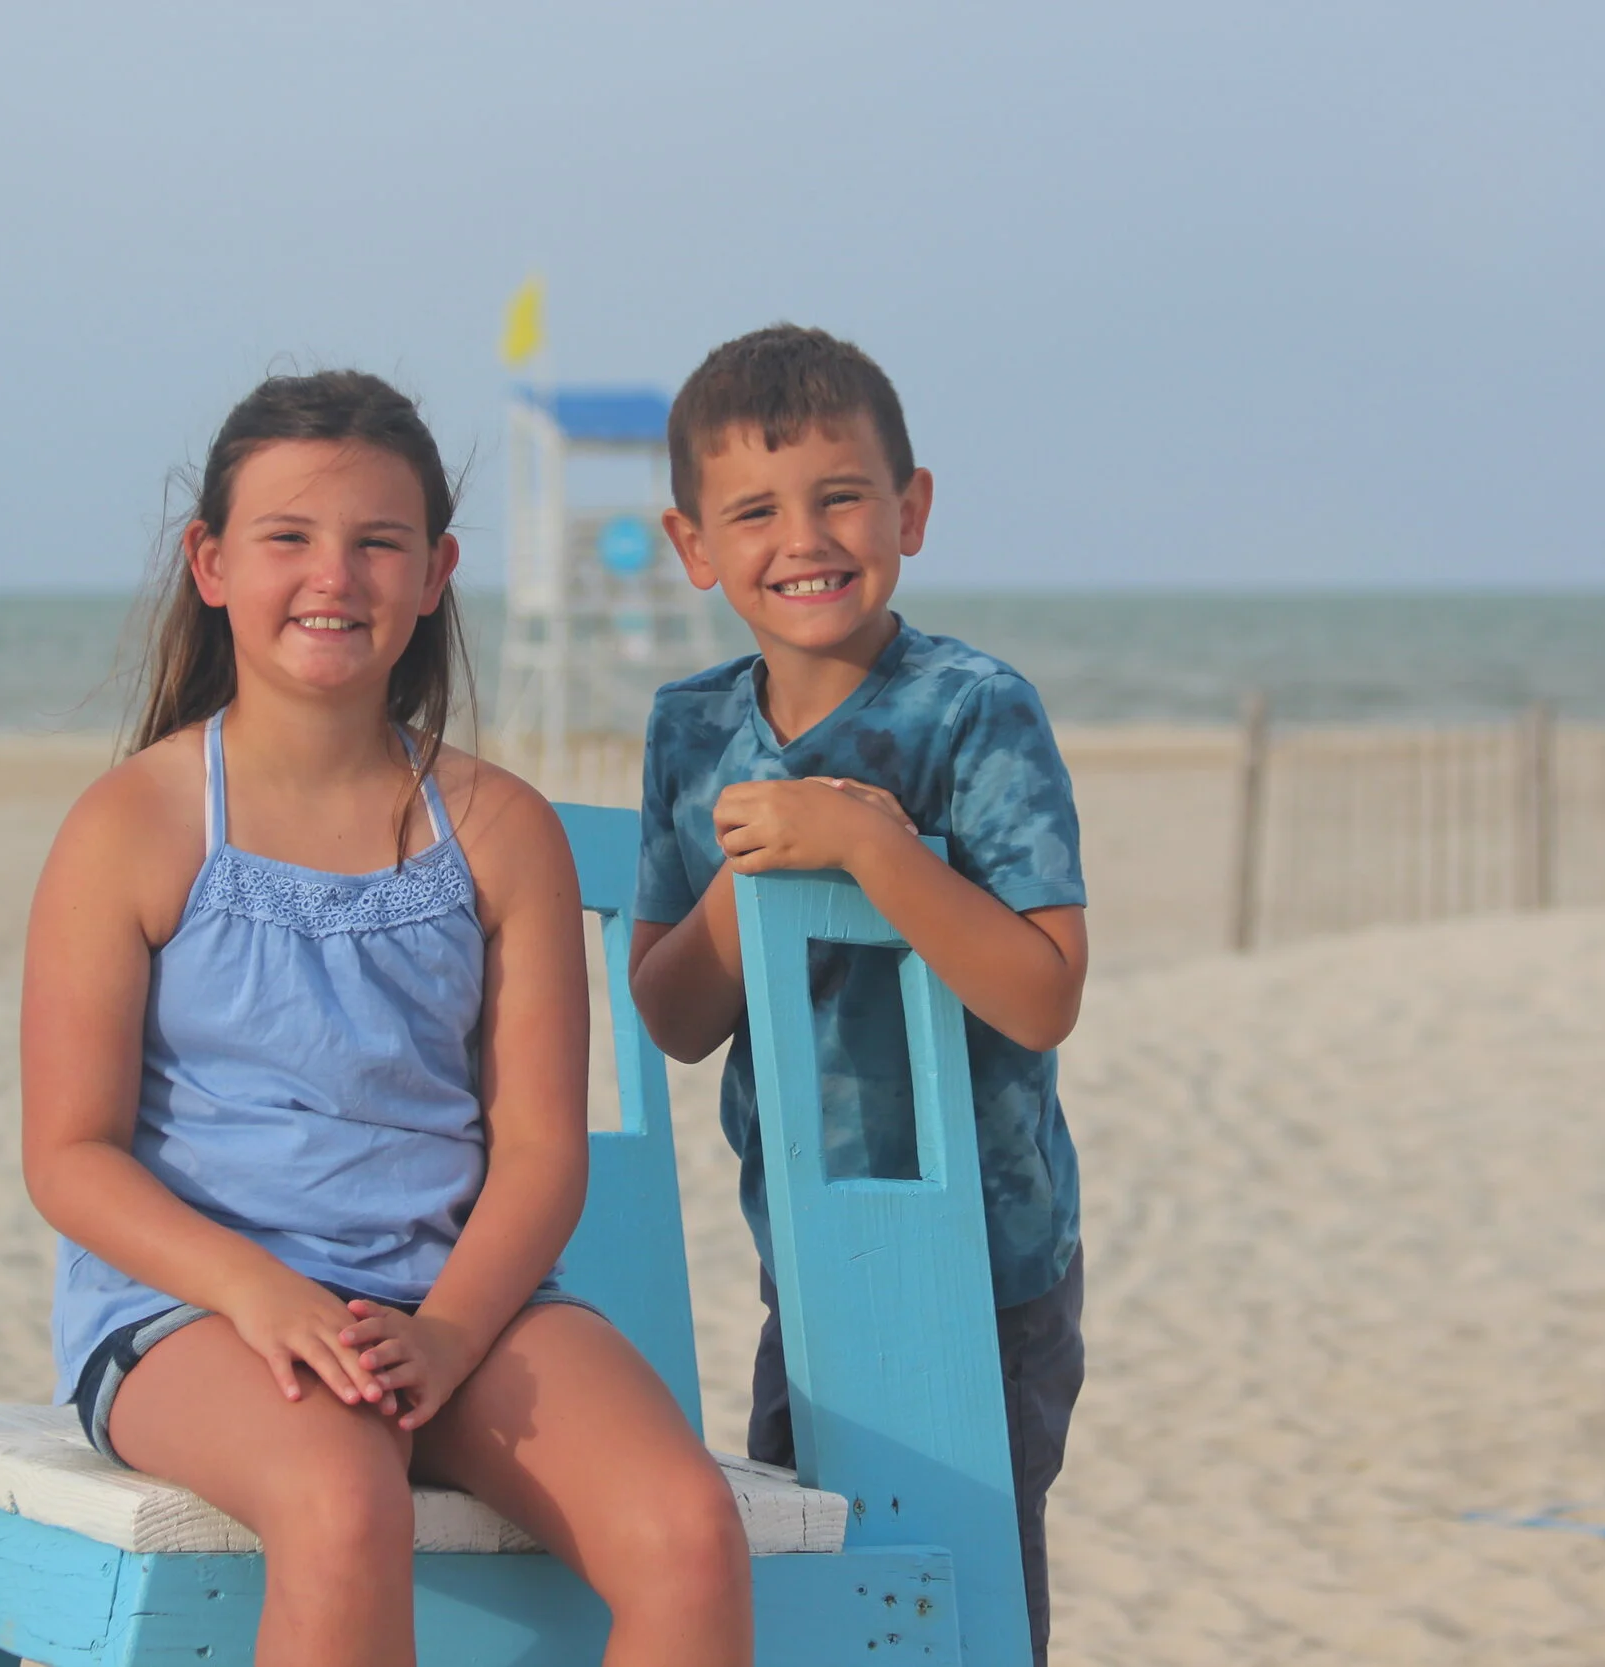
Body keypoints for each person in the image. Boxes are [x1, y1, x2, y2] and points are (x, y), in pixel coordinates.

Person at [23, 370, 752, 1667]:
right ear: (211, 563)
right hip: (200, 1315)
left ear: (434, 573)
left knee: (688, 1530)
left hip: (460, 1304)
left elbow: (540, 1151)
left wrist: (450, 1332)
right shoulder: (131, 824)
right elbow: (69, 1155)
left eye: (377, 542)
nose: (334, 575)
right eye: (289, 537)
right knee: (342, 1496)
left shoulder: (499, 829)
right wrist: (261, 1294)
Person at [628, 324, 1088, 1667]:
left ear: (910, 509)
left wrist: (874, 848)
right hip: (808, 1256)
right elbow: (672, 1018)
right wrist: (744, 875)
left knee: (964, 1607)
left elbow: (1043, 994)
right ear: (693, 544)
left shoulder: (974, 712)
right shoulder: (692, 730)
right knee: (817, 1602)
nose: (805, 539)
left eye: (840, 496)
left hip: (989, 1265)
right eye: (755, 512)